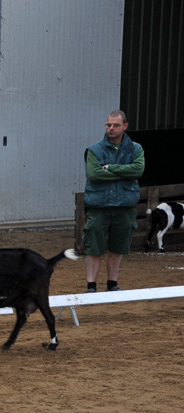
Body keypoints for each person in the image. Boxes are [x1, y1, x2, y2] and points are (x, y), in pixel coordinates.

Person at [82, 110, 145, 293]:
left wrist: (111, 168)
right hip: (98, 206)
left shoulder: (136, 149)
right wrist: (124, 172)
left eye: (115, 125)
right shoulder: (94, 150)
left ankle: (112, 284)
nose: (111, 128)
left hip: (124, 207)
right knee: (93, 248)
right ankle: (91, 286)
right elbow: (94, 174)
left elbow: (138, 171)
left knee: (118, 248)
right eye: (108, 125)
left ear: (124, 126)